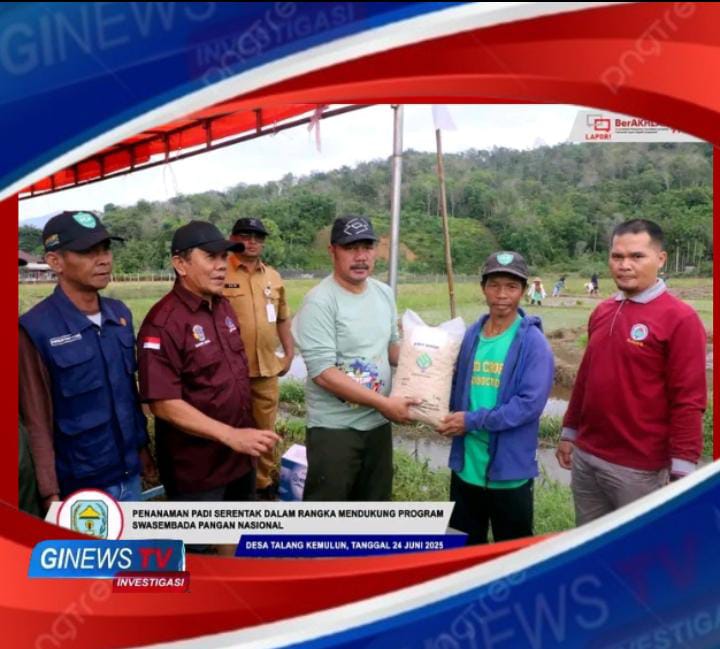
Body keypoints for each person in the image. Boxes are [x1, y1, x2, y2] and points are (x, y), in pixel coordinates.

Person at [556, 219, 706, 525]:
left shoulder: (681, 319)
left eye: (637, 256)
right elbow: (586, 378)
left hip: (639, 469)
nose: (624, 265)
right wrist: (569, 432)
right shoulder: (603, 311)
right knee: (591, 540)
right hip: (587, 458)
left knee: (642, 547)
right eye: (617, 256)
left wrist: (682, 471)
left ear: (660, 259)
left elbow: (688, 400)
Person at [137, 221, 280, 508]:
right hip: (198, 469)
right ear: (180, 264)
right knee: (202, 534)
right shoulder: (164, 323)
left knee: (238, 527)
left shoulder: (223, 306)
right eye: (210, 257)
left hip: (240, 456)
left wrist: (242, 437)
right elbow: (163, 403)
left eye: (224, 257)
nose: (221, 266)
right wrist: (231, 436)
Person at [19, 211, 153, 510]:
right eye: (88, 252)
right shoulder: (35, 328)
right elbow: (36, 419)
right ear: (55, 261)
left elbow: (128, 393)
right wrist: (49, 492)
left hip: (128, 473)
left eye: (106, 249)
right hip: (80, 487)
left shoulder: (119, 315)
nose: (103, 259)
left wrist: (142, 447)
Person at [292, 215, 418, 501]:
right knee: (329, 512)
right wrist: (384, 404)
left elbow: (391, 348)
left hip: (377, 424)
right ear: (333, 251)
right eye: (351, 248)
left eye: (367, 247)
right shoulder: (320, 301)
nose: (361, 257)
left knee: (374, 505)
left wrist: (428, 359)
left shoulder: (383, 293)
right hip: (335, 429)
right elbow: (323, 373)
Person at [437, 251, 554, 544]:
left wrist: (471, 421)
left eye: (511, 287)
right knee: (464, 547)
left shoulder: (533, 343)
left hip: (509, 471)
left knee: (512, 551)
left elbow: (528, 405)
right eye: (494, 285)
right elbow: (455, 385)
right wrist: (435, 410)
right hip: (467, 467)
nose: (502, 295)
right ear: (483, 288)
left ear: (523, 291)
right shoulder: (471, 335)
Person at [224, 217, 294, 500]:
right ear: (232, 238)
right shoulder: (220, 271)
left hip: (266, 370)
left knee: (265, 430)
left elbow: (283, 317)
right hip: (228, 372)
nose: (252, 241)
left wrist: (289, 352)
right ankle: (230, 487)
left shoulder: (273, 277)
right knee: (229, 429)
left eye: (258, 237)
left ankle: (261, 484)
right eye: (245, 235)